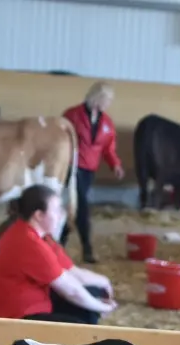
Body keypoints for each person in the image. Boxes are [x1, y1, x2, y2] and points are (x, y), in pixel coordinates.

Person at [0, 184, 117, 325]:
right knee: (80, 326)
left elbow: (67, 276)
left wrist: (97, 298)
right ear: (39, 215)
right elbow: (70, 289)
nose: (61, 216)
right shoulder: (29, 242)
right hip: (17, 318)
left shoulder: (26, 233)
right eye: (56, 210)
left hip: (19, 310)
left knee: (88, 303)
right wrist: (103, 307)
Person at [62, 81, 124, 263]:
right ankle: (87, 248)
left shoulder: (107, 123)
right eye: (106, 99)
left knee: (71, 209)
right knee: (82, 206)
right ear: (97, 97)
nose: (108, 103)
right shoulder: (72, 115)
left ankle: (59, 242)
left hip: (89, 170)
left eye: (110, 100)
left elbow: (108, 148)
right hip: (71, 167)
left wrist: (116, 165)